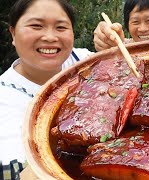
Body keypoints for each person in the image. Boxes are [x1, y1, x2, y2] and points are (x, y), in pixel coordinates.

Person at [0, 0, 94, 179]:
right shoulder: (4, 101)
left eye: (60, 27)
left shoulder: (82, 61)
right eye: (36, 26)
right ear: (13, 33)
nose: (50, 37)